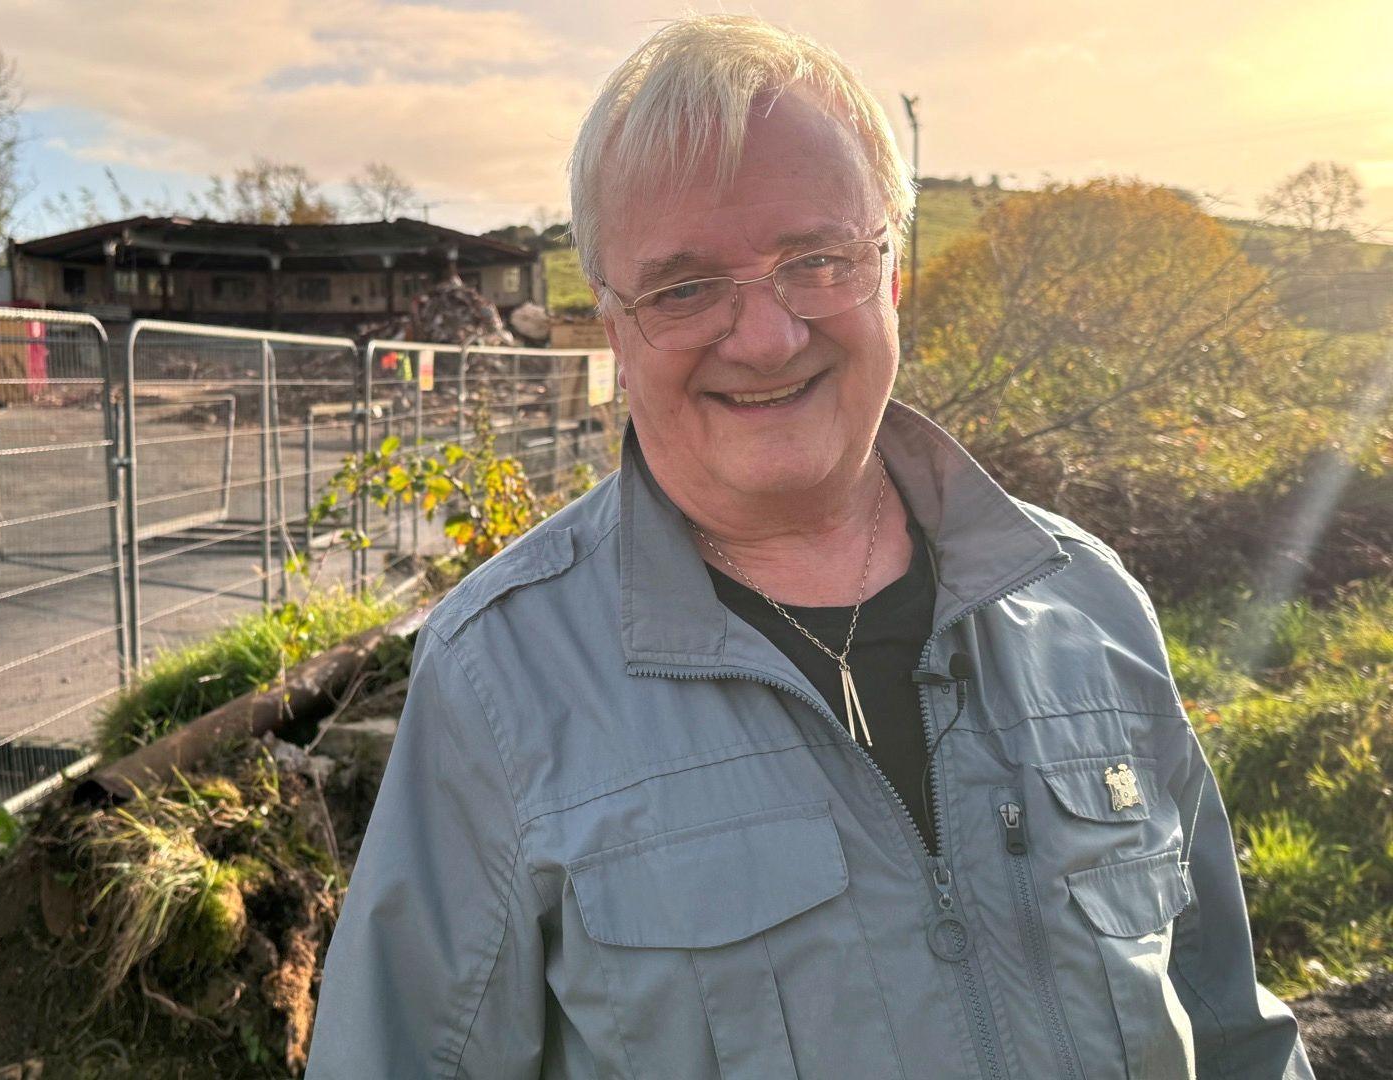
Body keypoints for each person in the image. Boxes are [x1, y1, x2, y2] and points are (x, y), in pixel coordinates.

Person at [307, 14, 1311, 1080]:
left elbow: (1231, 1030)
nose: (769, 336)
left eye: (817, 260)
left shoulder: (1091, 608)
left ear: (888, 276)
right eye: (686, 288)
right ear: (612, 324)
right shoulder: (498, 680)